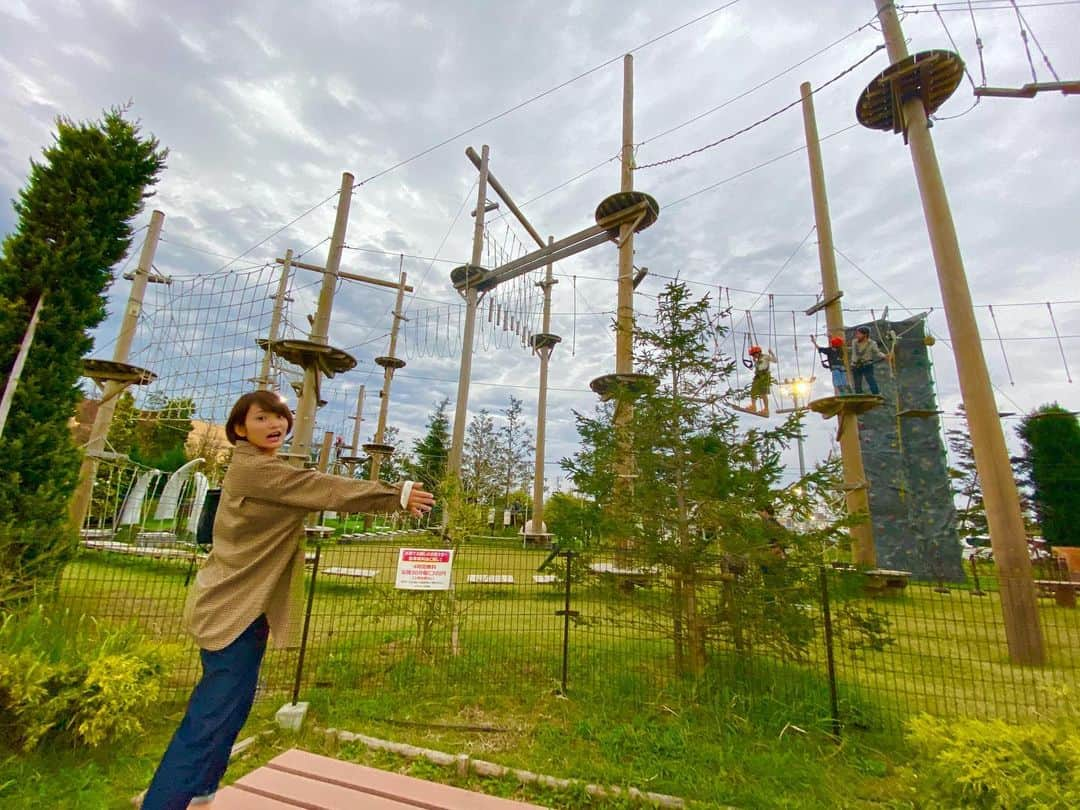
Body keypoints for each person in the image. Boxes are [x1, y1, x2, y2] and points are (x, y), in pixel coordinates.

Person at [140, 390, 435, 810]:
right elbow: (321, 488)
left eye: (280, 417)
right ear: (240, 428)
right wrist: (395, 495)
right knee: (210, 717)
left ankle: (203, 793)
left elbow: (307, 486)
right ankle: (163, 803)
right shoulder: (255, 470)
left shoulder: (264, 467)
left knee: (233, 706)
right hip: (230, 609)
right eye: (262, 418)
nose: (275, 424)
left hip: (246, 606)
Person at [849, 326, 890, 396]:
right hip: (855, 365)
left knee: (870, 380)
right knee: (857, 382)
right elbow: (851, 350)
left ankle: (876, 394)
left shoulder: (872, 343)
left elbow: (877, 352)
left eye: (859, 334)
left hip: (867, 365)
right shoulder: (854, 342)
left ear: (865, 335)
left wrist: (885, 356)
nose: (857, 335)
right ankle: (859, 396)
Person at [742, 345, 778, 416]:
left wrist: (771, 353)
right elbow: (758, 368)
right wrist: (755, 362)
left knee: (763, 393)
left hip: (764, 376)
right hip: (758, 376)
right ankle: (753, 406)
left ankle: (766, 410)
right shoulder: (757, 360)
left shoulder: (765, 357)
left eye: (754, 355)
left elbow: (775, 361)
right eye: (752, 355)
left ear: (758, 353)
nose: (753, 356)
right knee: (753, 391)